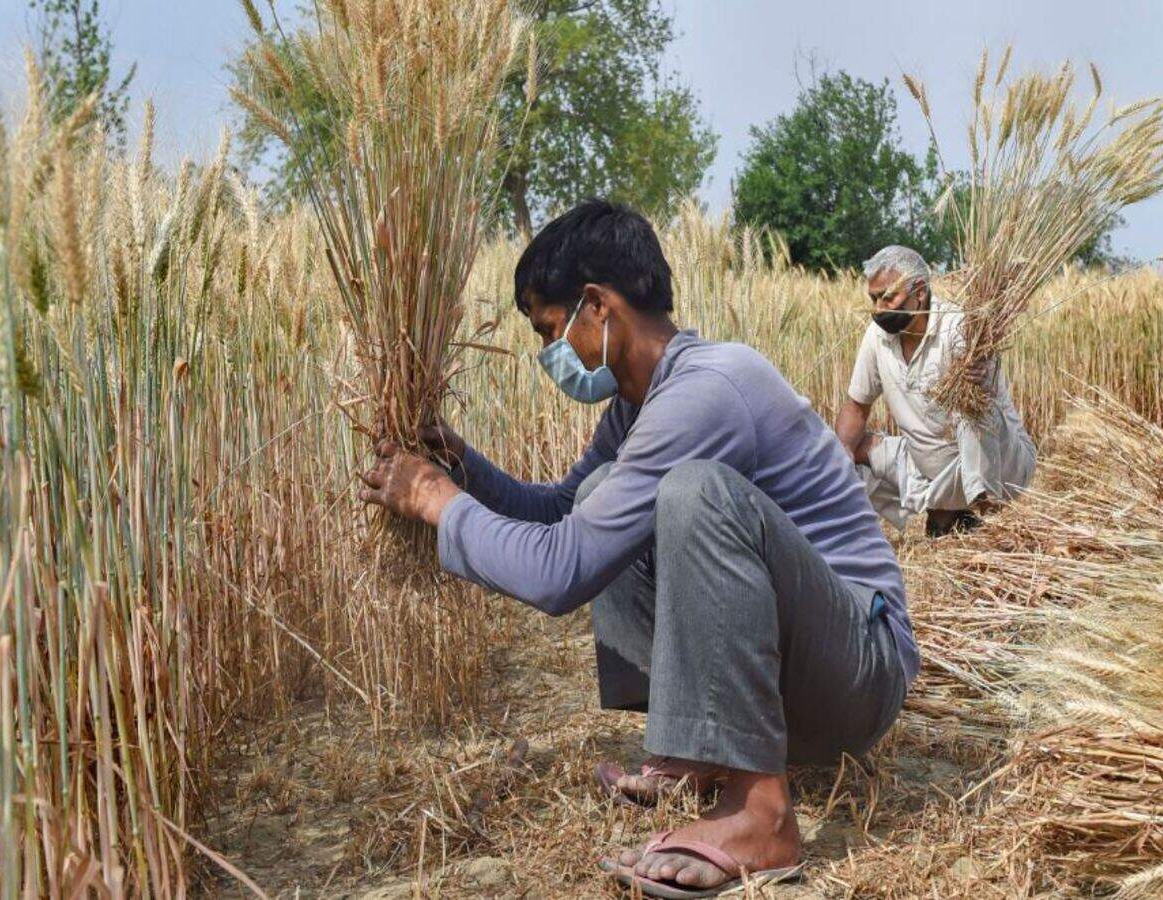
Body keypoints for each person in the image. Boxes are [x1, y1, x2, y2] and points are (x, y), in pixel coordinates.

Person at [358, 200, 919, 898]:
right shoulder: (638, 403)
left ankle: (760, 817)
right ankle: (693, 754)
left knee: (692, 495)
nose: (550, 357)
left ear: (596, 305)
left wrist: (438, 505)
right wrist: (462, 470)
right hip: (798, 684)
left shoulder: (709, 389)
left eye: (549, 331)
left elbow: (563, 570)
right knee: (604, 491)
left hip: (858, 674)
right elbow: (566, 513)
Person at [834, 246, 1036, 537]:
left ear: (919, 292)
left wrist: (980, 376)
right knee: (849, 450)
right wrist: (839, 456)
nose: (879, 309)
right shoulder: (878, 336)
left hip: (1001, 466)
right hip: (928, 467)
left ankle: (989, 522)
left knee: (971, 404)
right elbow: (856, 407)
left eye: (889, 297)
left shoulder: (961, 329)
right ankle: (944, 511)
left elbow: (982, 410)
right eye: (874, 298)